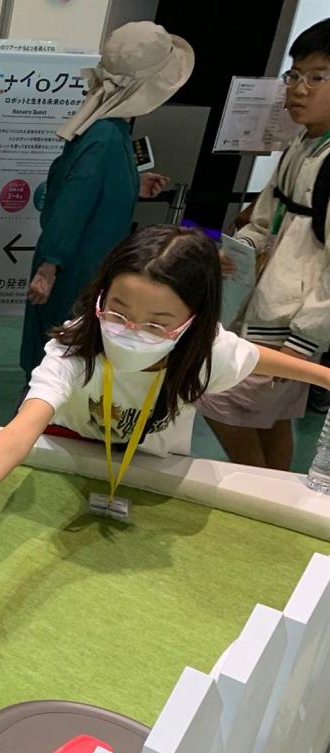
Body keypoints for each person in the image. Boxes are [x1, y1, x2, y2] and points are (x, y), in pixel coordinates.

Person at [0, 226, 330, 562]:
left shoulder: (206, 352)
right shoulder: (74, 348)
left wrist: (323, 376)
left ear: (194, 321)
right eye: (117, 311)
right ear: (100, 295)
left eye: (157, 323)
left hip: (152, 468)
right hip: (66, 456)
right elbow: (24, 427)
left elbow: (256, 358)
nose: (131, 331)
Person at [21, 22, 191, 380]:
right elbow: (71, 205)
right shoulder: (106, 137)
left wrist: (131, 184)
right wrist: (50, 266)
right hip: (78, 268)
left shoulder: (102, 128)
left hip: (80, 264)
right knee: (60, 359)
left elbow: (76, 183)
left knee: (60, 355)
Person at [200, 19, 330, 470]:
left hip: (288, 324)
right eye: (294, 75)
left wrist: (304, 341)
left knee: (217, 397)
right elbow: (264, 216)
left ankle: (251, 490)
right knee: (271, 420)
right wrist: (239, 250)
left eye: (317, 77)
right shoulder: (305, 142)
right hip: (266, 306)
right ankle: (274, 489)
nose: (298, 89)